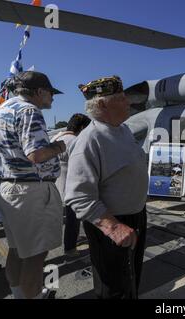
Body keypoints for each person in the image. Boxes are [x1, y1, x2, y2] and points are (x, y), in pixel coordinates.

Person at [65, 76, 148, 299]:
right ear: (102, 104)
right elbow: (78, 196)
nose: (128, 103)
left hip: (136, 218)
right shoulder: (89, 140)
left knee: (131, 282)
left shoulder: (123, 131)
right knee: (114, 290)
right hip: (113, 223)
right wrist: (113, 228)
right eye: (121, 99)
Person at [0, 71, 65, 299]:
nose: (53, 98)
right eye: (51, 93)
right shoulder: (30, 110)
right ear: (39, 91)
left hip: (6, 188)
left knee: (17, 250)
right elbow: (37, 154)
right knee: (35, 256)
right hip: (30, 191)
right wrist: (59, 147)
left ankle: (18, 295)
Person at [51, 113, 91, 260]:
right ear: (81, 127)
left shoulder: (56, 137)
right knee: (73, 220)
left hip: (55, 185)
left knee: (69, 219)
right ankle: (70, 248)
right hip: (71, 186)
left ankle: (76, 240)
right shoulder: (76, 141)